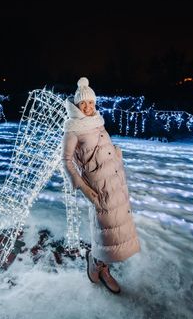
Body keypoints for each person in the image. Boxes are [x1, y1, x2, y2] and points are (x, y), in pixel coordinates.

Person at [61, 77, 140, 294]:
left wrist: (116, 155)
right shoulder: (73, 129)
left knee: (117, 229)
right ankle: (98, 263)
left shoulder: (97, 120)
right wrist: (83, 187)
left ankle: (101, 262)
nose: (88, 107)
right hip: (98, 187)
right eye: (83, 104)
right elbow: (66, 160)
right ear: (77, 105)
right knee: (107, 232)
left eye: (91, 103)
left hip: (114, 181)